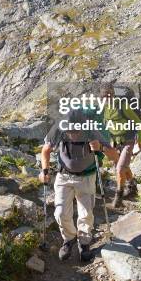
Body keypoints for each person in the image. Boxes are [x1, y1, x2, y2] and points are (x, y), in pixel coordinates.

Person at [39, 108, 119, 262]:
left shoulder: (92, 130)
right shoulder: (58, 128)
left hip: (87, 177)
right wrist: (44, 171)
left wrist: (100, 148)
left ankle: (84, 243)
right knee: (60, 213)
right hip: (63, 176)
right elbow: (46, 150)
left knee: (86, 213)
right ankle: (68, 239)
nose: (73, 134)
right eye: (69, 131)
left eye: (76, 131)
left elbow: (114, 155)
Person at [101, 83, 141, 208]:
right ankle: (132, 187)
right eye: (104, 96)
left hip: (128, 140)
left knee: (119, 168)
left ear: (113, 95)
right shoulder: (104, 108)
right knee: (123, 166)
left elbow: (136, 121)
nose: (106, 98)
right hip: (115, 142)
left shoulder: (122, 105)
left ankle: (118, 198)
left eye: (108, 95)